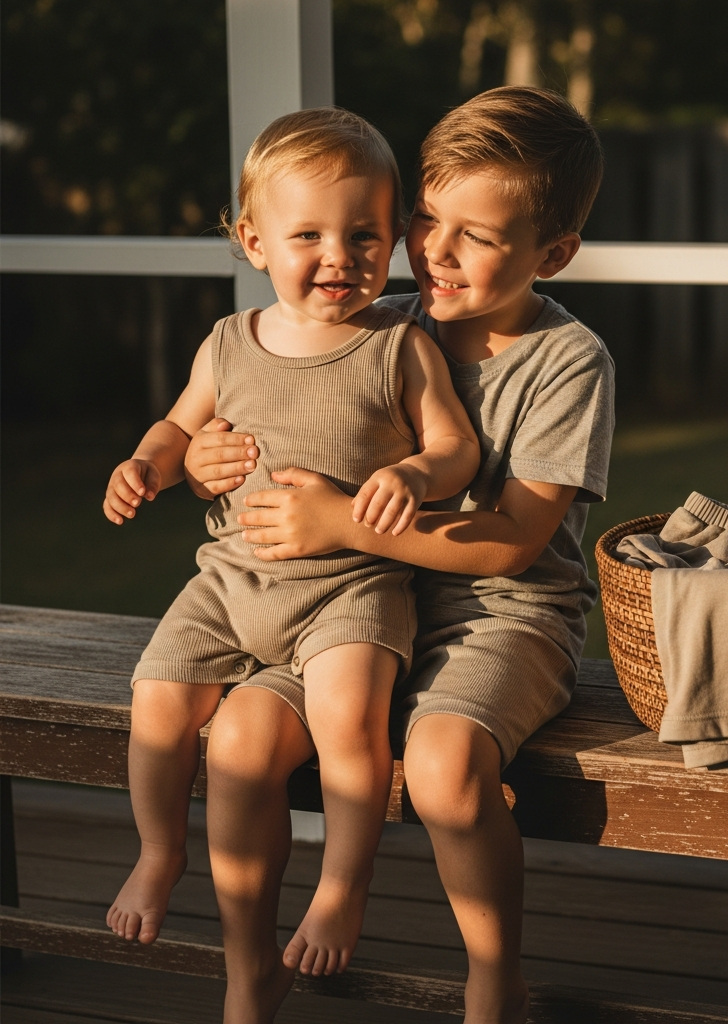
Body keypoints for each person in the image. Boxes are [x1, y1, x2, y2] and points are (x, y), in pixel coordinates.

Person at [187, 85, 612, 1023]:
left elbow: (514, 542)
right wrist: (201, 454)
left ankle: (494, 976)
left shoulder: (566, 361)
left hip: (505, 615)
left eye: (479, 235)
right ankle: (248, 964)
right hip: (355, 604)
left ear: (553, 253)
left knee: (444, 764)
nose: (438, 252)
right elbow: (262, 407)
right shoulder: (381, 317)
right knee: (244, 740)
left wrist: (343, 525)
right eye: (427, 218)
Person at [102, 106, 479, 1022]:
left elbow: (455, 448)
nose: (339, 256)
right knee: (157, 699)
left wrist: (415, 471)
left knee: (350, 719)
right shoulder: (229, 342)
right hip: (235, 577)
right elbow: (179, 425)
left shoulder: (399, 346)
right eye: (307, 234)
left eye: (364, 236)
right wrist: (148, 464)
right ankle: (160, 850)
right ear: (252, 239)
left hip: (352, 586)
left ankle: (342, 883)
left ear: (393, 243)